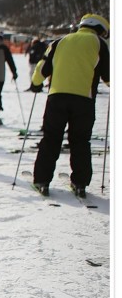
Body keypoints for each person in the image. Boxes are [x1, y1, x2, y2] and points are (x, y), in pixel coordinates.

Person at [30, 14, 110, 198]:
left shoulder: (60, 41)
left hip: (56, 97)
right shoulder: (99, 44)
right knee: (80, 141)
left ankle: (42, 180)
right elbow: (109, 76)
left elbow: (43, 68)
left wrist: (35, 83)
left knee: (51, 139)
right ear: (101, 30)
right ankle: (80, 183)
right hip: (84, 100)